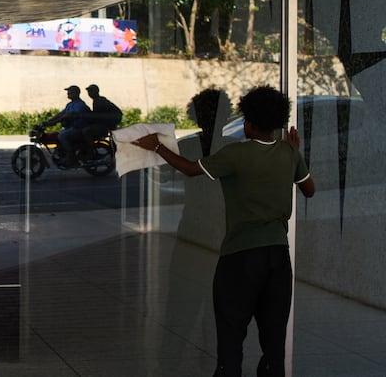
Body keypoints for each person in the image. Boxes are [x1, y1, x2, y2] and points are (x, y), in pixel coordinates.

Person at [131, 85, 315, 377]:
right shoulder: (289, 153)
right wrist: (295, 154)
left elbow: (191, 170)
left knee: (230, 340)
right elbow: (309, 189)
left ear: (248, 123)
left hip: (239, 257)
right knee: (274, 343)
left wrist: (156, 146)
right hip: (278, 259)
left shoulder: (235, 154)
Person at [41, 85, 91, 167]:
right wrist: (48, 122)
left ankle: (71, 157)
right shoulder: (70, 104)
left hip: (78, 129)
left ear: (76, 93)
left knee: (62, 136)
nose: (68, 93)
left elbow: (67, 115)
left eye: (70, 92)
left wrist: (55, 122)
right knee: (56, 135)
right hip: (70, 128)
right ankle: (62, 152)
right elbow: (61, 114)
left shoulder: (80, 104)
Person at [82, 84, 123, 151]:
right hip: (105, 124)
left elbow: (98, 116)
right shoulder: (97, 101)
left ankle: (91, 152)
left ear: (97, 91)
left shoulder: (100, 101)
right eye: (89, 91)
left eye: (91, 91)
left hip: (107, 125)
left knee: (86, 131)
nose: (89, 93)